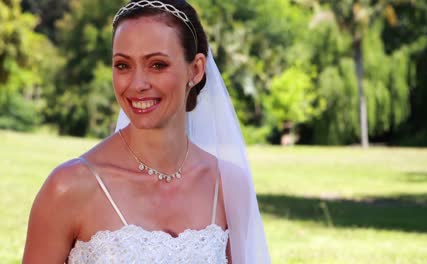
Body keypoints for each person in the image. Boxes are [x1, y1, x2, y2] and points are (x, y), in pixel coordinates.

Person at [22, 0, 270, 263]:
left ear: (195, 70)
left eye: (157, 65)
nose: (137, 84)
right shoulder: (69, 187)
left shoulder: (228, 187)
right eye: (123, 65)